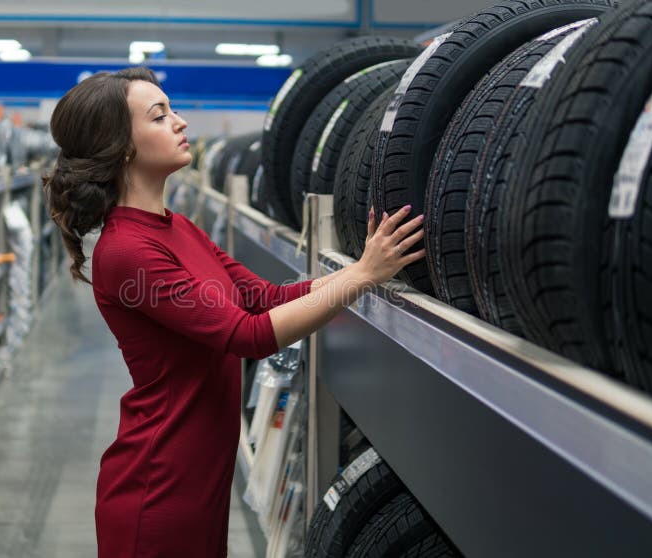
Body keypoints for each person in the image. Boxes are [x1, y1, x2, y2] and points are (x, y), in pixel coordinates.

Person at [43, 67, 425, 558]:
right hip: (159, 484)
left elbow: (264, 298)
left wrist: (366, 265)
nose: (180, 122)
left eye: (172, 109)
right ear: (122, 148)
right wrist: (361, 277)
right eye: (160, 116)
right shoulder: (127, 251)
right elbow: (249, 335)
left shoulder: (178, 227)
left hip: (200, 473)